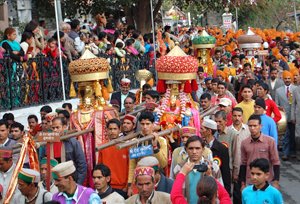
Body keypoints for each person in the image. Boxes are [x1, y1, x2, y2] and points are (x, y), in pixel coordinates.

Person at [127, 111, 168, 196]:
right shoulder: (135, 142)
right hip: (140, 182)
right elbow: (132, 165)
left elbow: (164, 163)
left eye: (147, 124)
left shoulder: (161, 140)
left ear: (153, 124)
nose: (145, 127)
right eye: (142, 124)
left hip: (156, 180)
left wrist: (155, 147)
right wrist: (130, 185)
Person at [42, 117, 87, 184]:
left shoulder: (73, 142)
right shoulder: (48, 142)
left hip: (71, 179)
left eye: (57, 127)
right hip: (54, 181)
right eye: (53, 128)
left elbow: (82, 164)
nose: (55, 130)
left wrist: (78, 183)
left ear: (64, 127)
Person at [240, 115, 280, 190]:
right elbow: (243, 163)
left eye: (255, 126)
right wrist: (242, 183)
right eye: (250, 126)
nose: (252, 128)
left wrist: (276, 181)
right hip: (250, 182)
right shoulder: (244, 143)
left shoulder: (270, 141)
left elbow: (276, 162)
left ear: (260, 126)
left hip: (266, 181)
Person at [98, 119, 129, 198]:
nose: (112, 131)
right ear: (107, 130)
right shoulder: (103, 146)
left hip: (122, 187)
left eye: (115, 129)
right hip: (107, 186)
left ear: (119, 130)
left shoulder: (126, 146)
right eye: (110, 129)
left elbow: (130, 167)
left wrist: (128, 186)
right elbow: (100, 168)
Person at [200, 118, 231, 195]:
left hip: (216, 185)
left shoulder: (222, 148)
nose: (200, 131)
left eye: (202, 129)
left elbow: (225, 172)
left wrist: (226, 192)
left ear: (209, 131)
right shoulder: (199, 146)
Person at [275, 70, 297, 160]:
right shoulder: (278, 90)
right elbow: (276, 104)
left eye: (289, 78)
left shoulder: (296, 89)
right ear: (283, 79)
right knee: (285, 134)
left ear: (291, 79)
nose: (287, 80)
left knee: (294, 134)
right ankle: (285, 153)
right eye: (285, 78)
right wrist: (280, 108)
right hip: (283, 116)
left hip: (294, 115)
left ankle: (293, 152)